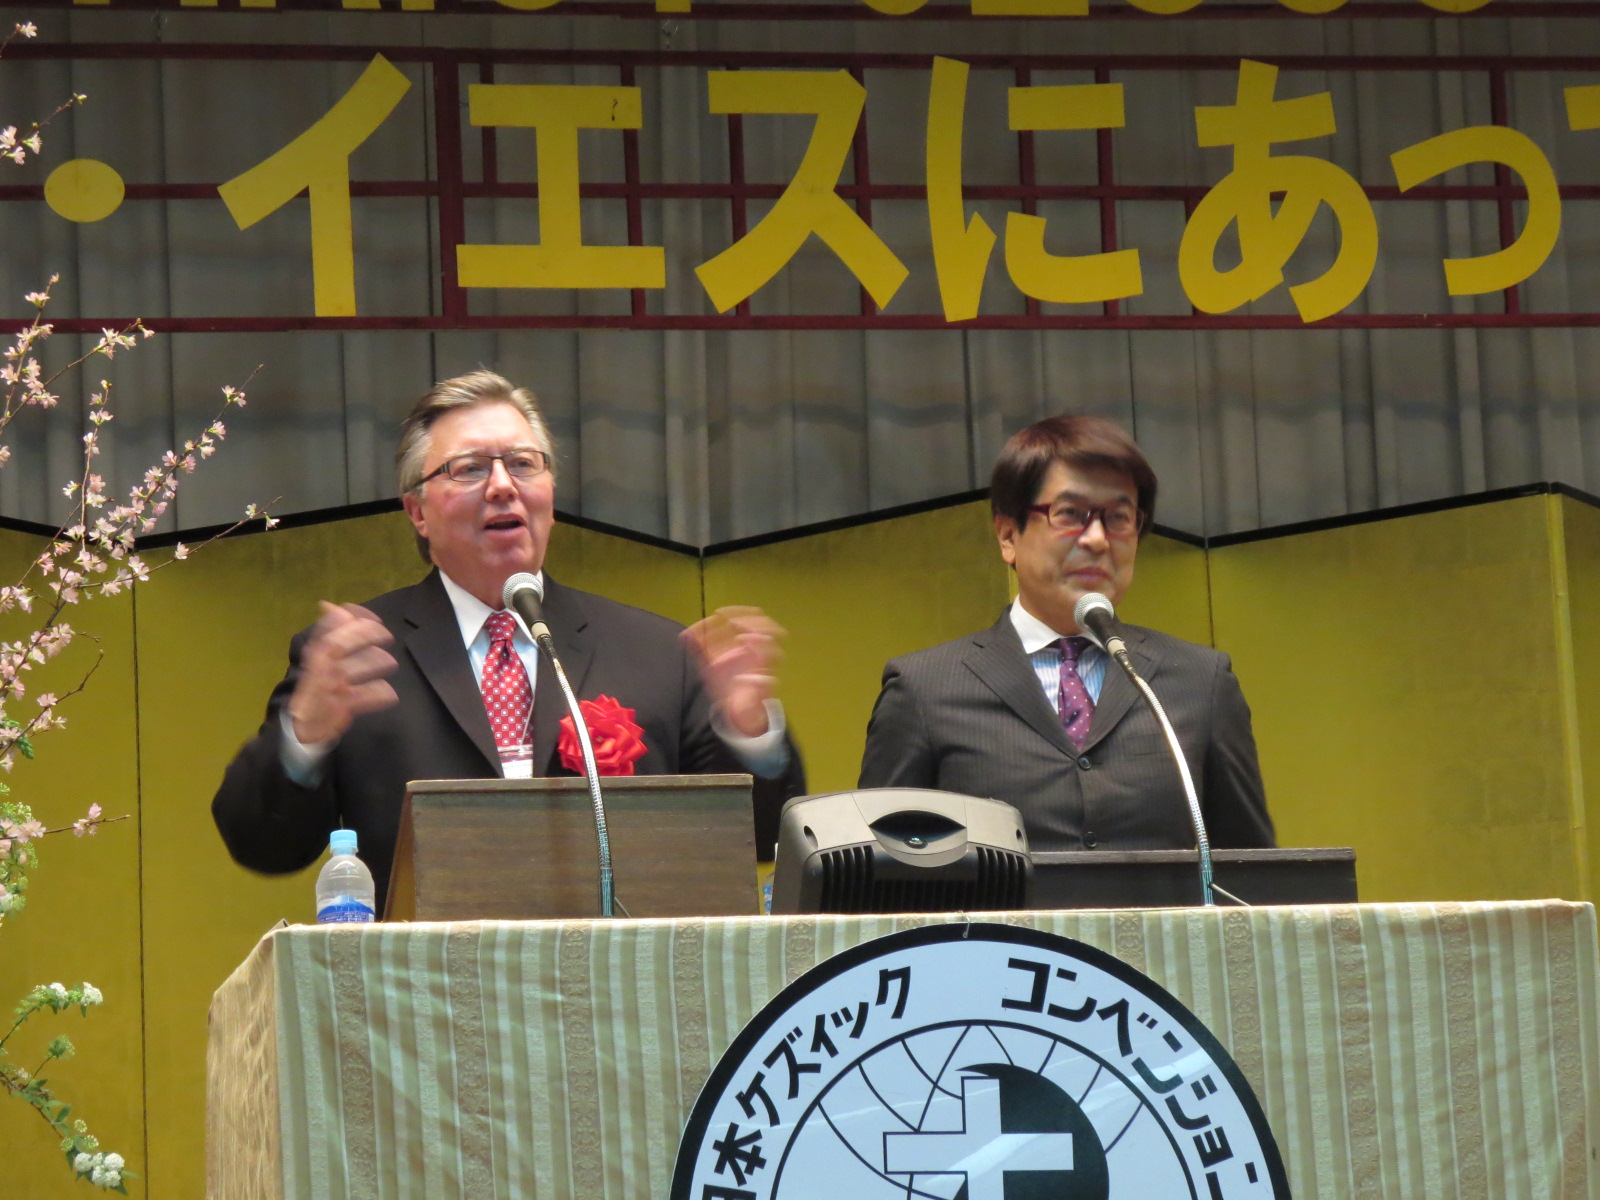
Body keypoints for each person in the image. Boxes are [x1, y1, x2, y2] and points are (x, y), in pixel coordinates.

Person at [212, 370, 806, 911]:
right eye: (469, 469)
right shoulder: (360, 656)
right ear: (417, 511)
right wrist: (306, 733)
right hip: (423, 985)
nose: (502, 485)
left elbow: (760, 839)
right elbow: (263, 844)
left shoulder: (657, 653)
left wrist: (748, 732)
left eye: (523, 463)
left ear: (551, 495)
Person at [855, 413, 1273, 852]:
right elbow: (880, 869)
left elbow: (1253, 867)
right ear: (1008, 535)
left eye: (1119, 517)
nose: (1097, 539)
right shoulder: (924, 689)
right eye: (1070, 513)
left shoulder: (1202, 681)